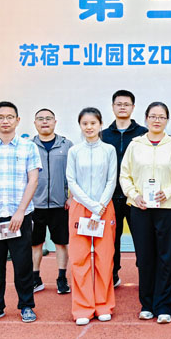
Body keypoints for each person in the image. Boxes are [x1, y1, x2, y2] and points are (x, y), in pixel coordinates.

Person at [119, 102, 171, 324]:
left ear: (167, 120)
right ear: (146, 119)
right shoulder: (135, 145)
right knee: (145, 258)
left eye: (161, 117)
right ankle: (147, 304)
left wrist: (167, 192)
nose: (157, 120)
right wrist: (134, 195)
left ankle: (165, 306)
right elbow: (125, 175)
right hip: (140, 208)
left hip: (168, 208)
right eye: (153, 116)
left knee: (167, 258)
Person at [0, 101, 41, 324]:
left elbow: (33, 180)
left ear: (17, 120)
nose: (5, 121)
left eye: (10, 117)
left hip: (19, 217)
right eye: (0, 117)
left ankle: (26, 306)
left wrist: (20, 212)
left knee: (23, 264)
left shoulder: (28, 147)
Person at [65, 107, 118, 325]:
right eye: (85, 124)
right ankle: (83, 308)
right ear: (80, 126)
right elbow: (71, 181)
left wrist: (100, 207)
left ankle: (103, 305)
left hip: (104, 208)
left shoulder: (109, 150)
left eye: (93, 123)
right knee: (80, 258)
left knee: (104, 258)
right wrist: (91, 205)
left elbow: (111, 180)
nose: (89, 127)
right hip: (80, 207)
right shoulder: (74, 151)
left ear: (100, 125)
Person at [102, 90, 148, 287]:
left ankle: (145, 276)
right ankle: (112, 275)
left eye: (126, 104)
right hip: (110, 196)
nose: (122, 107)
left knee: (142, 238)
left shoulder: (143, 133)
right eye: (118, 104)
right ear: (113, 107)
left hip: (136, 196)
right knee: (111, 239)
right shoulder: (103, 135)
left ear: (133, 107)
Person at [30, 108, 73, 294]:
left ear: (55, 122)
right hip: (35, 205)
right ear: (35, 123)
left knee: (61, 243)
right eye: (40, 119)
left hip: (60, 205)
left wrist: (71, 197)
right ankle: (35, 279)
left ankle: (62, 279)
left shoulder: (67, 145)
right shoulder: (28, 146)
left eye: (48, 119)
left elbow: (74, 174)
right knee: (35, 244)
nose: (44, 122)